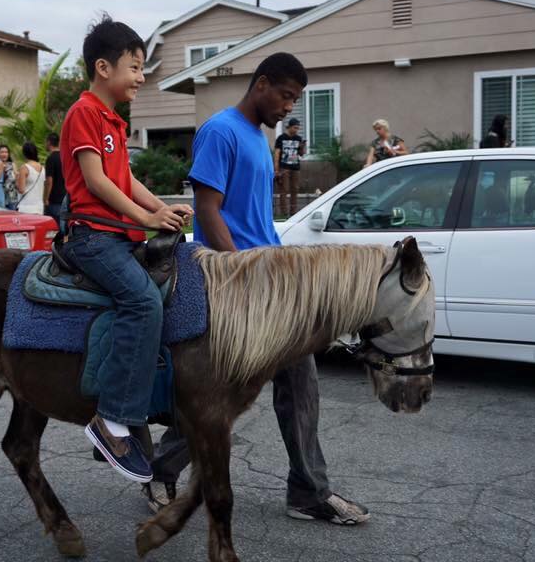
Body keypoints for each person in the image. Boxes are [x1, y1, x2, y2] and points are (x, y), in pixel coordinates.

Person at [145, 53, 371, 526]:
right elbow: (208, 210)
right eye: (286, 96)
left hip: (269, 281)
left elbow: (255, 217)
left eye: (295, 100)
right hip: (233, 283)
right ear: (261, 84)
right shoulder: (220, 131)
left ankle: (308, 492)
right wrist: (242, 273)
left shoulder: (259, 138)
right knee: (223, 392)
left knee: (300, 380)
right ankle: (161, 472)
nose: (289, 107)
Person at [61, 15, 192, 483]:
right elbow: (96, 181)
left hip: (117, 234)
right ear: (103, 68)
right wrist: (146, 218)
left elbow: (126, 178)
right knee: (142, 301)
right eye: (134, 67)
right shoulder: (84, 113)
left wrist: (162, 207)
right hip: (93, 237)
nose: (140, 77)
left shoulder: (113, 120)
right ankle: (111, 419)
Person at [274, 117, 305, 217]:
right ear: (289, 127)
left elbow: (301, 154)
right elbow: (277, 153)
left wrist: (302, 147)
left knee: (295, 189)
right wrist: (276, 169)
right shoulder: (281, 138)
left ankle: (293, 212)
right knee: (284, 190)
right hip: (284, 167)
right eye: (295, 128)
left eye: (298, 128)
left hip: (295, 167)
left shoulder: (298, 138)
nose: (296, 130)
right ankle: (284, 213)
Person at [15, 141, 45, 214]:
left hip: (26, 206)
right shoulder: (42, 168)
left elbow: (21, 189)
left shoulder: (24, 168)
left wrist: (16, 179)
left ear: (24, 153)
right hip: (39, 207)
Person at [44, 133, 66, 221]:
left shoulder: (51, 158)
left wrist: (46, 198)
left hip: (54, 200)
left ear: (49, 142)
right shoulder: (64, 157)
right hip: (65, 198)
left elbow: (49, 180)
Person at [0, 144, 18, 208]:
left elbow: (16, 179)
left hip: (12, 198)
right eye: (2, 152)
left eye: (6, 152)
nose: (4, 154)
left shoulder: (12, 165)